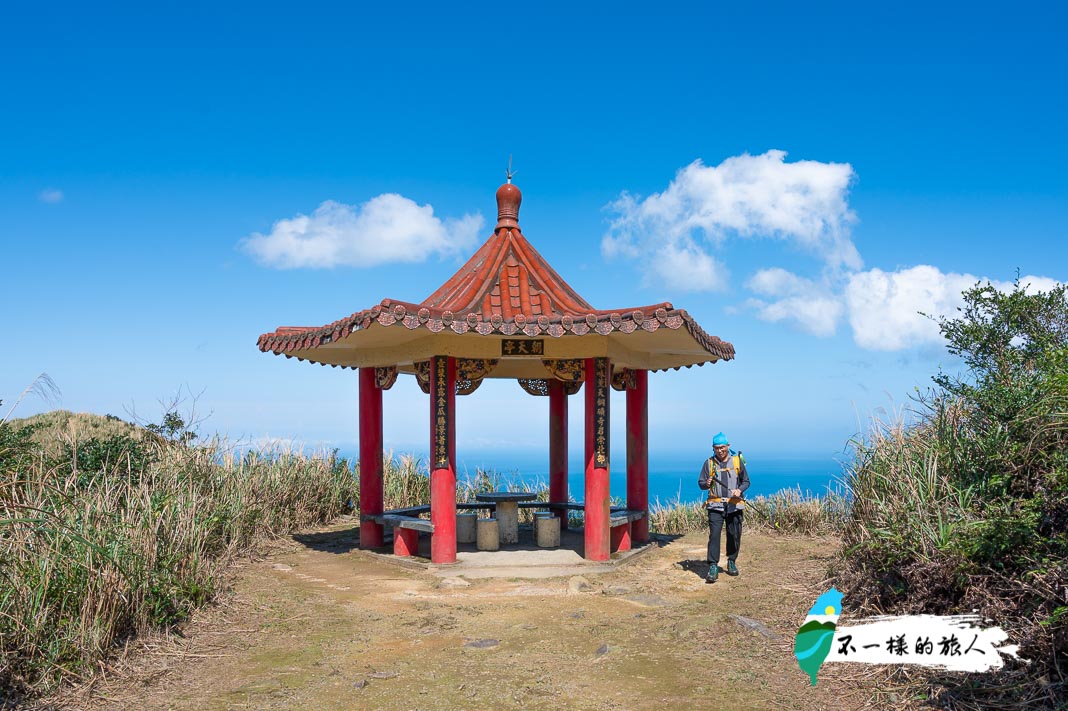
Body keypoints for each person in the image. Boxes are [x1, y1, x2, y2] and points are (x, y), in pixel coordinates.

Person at [698, 432, 750, 583]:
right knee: (714, 535)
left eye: (722, 447)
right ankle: (713, 565)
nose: (720, 451)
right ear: (713, 448)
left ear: (728, 446)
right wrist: (706, 484)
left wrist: (739, 490)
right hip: (715, 505)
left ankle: (731, 560)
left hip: (734, 505)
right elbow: (701, 483)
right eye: (716, 448)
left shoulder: (737, 461)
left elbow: (746, 481)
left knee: (734, 535)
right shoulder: (708, 463)